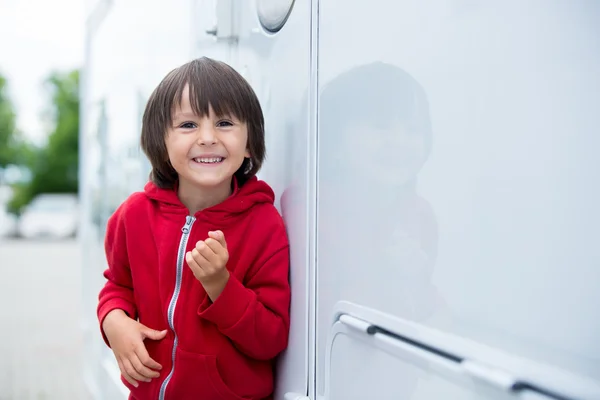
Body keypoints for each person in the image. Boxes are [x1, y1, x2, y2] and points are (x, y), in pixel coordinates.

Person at [96, 57, 291, 400]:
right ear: (162, 141)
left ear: (249, 143)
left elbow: (270, 338)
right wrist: (113, 321)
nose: (207, 138)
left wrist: (221, 285)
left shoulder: (264, 225)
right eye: (187, 125)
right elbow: (117, 285)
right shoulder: (134, 214)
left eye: (225, 122)